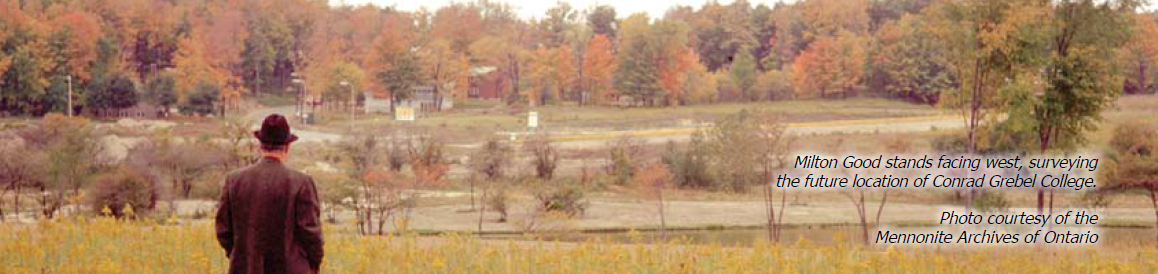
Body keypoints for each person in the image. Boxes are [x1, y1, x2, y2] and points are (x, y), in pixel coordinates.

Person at [216, 114, 324, 274]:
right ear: (287, 147)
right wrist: (312, 266)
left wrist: (243, 257)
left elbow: (224, 231)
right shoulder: (301, 183)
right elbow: (311, 236)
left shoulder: (234, 181)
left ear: (261, 145)